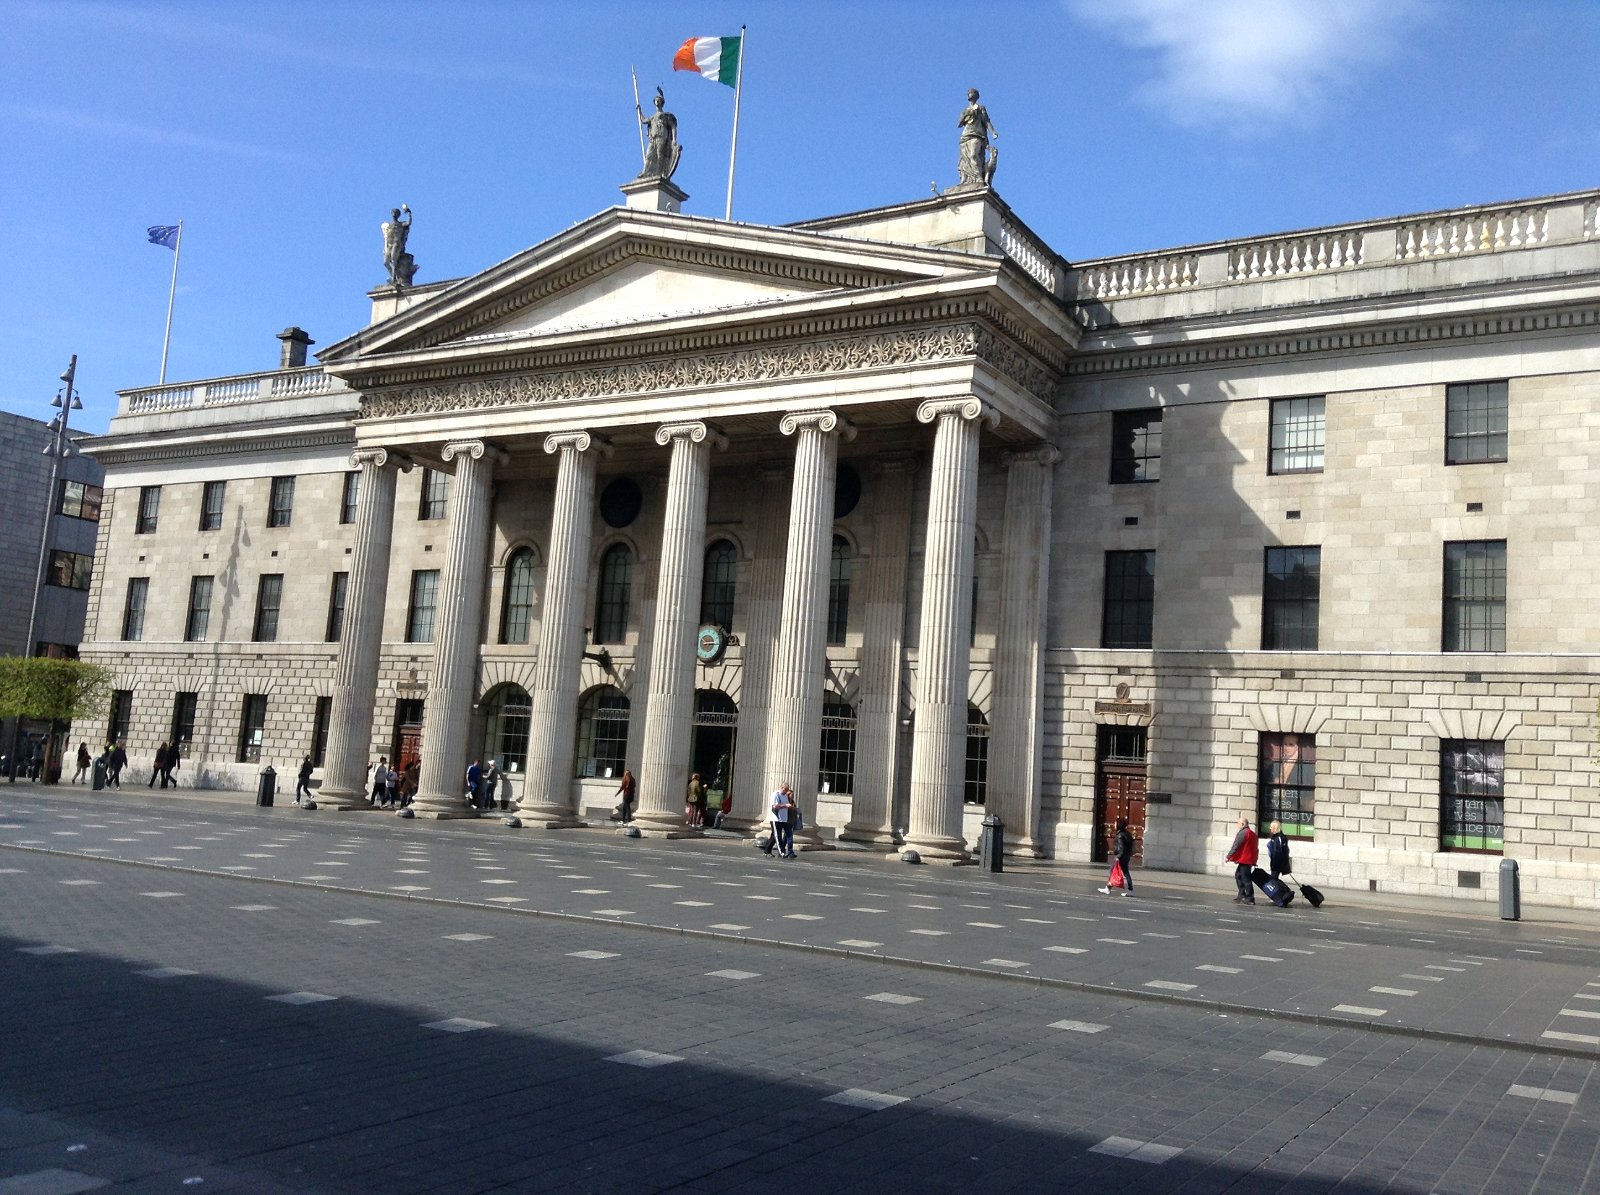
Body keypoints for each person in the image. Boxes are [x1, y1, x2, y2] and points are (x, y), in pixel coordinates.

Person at [956, 87, 998, 188]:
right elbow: (959, 124)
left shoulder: (980, 108)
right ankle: (965, 179)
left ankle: (978, 177)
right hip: (966, 135)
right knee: (964, 158)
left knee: (973, 155)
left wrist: (993, 132)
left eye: (972, 92)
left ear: (976, 96)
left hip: (977, 134)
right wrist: (966, 115)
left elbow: (986, 121)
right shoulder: (965, 110)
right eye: (969, 92)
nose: (970, 93)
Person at [637, 87, 680, 180]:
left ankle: (659, 173)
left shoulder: (665, 115)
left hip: (662, 137)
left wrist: (674, 139)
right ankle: (645, 172)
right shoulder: (653, 117)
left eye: (659, 100)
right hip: (653, 138)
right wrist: (639, 111)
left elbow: (673, 127)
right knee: (649, 155)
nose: (657, 101)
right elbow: (644, 120)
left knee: (660, 155)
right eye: (656, 100)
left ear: (662, 102)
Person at [1225, 815, 1259, 905]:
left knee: (1245, 878)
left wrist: (1229, 856)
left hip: (1244, 859)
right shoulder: (1253, 834)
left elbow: (1236, 845)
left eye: (1238, 823)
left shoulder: (1243, 833)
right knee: (1238, 875)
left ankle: (1250, 898)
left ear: (1243, 824)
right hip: (1249, 859)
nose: (1237, 825)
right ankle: (1242, 895)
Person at [1100, 817, 1136, 896]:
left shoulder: (1120, 835)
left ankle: (1108, 889)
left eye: (1116, 823)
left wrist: (1118, 857)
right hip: (1126, 856)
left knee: (1112, 871)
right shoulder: (1127, 834)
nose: (1114, 825)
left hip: (1121, 857)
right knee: (1125, 873)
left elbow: (1121, 848)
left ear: (1119, 825)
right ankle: (1130, 890)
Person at [382, 205, 414, 286]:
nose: (394, 213)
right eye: (393, 212)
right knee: (386, 262)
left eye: (396, 212)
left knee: (393, 259)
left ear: (398, 215)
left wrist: (409, 214)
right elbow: (386, 236)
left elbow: (409, 223)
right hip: (389, 245)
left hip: (397, 243)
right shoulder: (389, 226)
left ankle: (393, 278)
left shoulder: (401, 224)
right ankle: (394, 276)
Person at [768, 782, 796, 859]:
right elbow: (775, 806)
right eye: (785, 790)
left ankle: (767, 850)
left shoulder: (785, 796)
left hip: (783, 819)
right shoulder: (776, 794)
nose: (786, 791)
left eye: (787, 790)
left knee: (774, 836)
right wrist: (785, 805)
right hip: (775, 818)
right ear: (782, 788)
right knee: (778, 836)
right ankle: (782, 852)